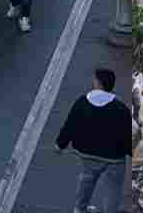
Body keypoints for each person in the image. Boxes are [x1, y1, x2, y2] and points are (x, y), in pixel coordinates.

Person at [55, 67, 134, 213]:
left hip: (87, 153)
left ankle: (80, 209)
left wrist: (60, 145)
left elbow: (70, 124)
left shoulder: (82, 102)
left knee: (86, 180)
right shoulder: (121, 108)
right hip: (114, 158)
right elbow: (127, 134)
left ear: (98, 83)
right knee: (113, 190)